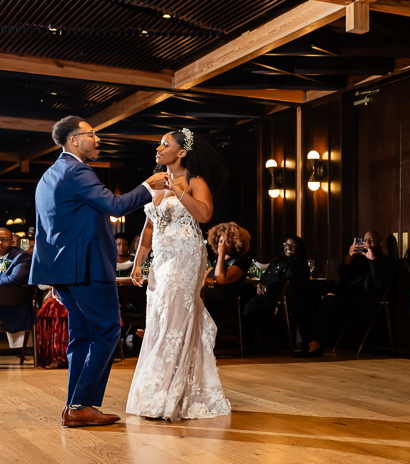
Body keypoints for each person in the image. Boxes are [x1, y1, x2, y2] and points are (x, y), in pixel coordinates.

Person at [30, 115, 167, 427]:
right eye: (91, 134)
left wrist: (55, 278)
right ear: (74, 140)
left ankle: (75, 406)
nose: (97, 139)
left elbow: (49, 229)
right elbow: (116, 206)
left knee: (81, 336)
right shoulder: (78, 171)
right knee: (107, 330)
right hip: (88, 269)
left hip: (64, 271)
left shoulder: (50, 175)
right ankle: (80, 405)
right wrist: (148, 185)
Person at [127, 128, 231, 421]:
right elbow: (149, 227)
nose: (158, 148)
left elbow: (205, 215)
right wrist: (139, 263)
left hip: (185, 255)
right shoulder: (155, 181)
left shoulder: (195, 181)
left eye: (165, 143)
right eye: (158, 143)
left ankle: (167, 393)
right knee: (159, 318)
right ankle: (162, 388)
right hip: (161, 259)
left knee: (174, 316)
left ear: (182, 152)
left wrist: (178, 190)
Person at [243, 236, 320, 355]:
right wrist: (260, 284)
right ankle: (256, 342)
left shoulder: (298, 263)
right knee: (251, 303)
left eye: (293, 245)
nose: (288, 247)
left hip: (289, 301)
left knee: (252, 304)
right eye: (286, 244)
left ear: (299, 248)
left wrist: (275, 298)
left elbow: (287, 283)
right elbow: (265, 277)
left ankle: (256, 343)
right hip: (275, 297)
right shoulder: (279, 261)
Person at [320, 231, 394, 347]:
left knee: (330, 301)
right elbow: (343, 276)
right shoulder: (359, 257)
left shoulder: (385, 261)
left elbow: (379, 284)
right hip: (350, 294)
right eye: (365, 240)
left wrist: (372, 260)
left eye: (371, 240)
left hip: (367, 299)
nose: (367, 243)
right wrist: (349, 256)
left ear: (379, 243)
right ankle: (319, 342)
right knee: (321, 299)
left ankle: (319, 342)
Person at [203, 222, 251, 338]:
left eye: (227, 242)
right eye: (220, 241)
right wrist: (207, 280)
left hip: (226, 305)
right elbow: (204, 278)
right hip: (210, 302)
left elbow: (220, 278)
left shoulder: (240, 262)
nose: (222, 245)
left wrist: (221, 253)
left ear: (236, 243)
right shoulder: (219, 262)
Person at [0, 226, 36, 350]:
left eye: (4, 239)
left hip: (13, 305)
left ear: (12, 241)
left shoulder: (22, 257)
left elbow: (14, 279)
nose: (0, 242)